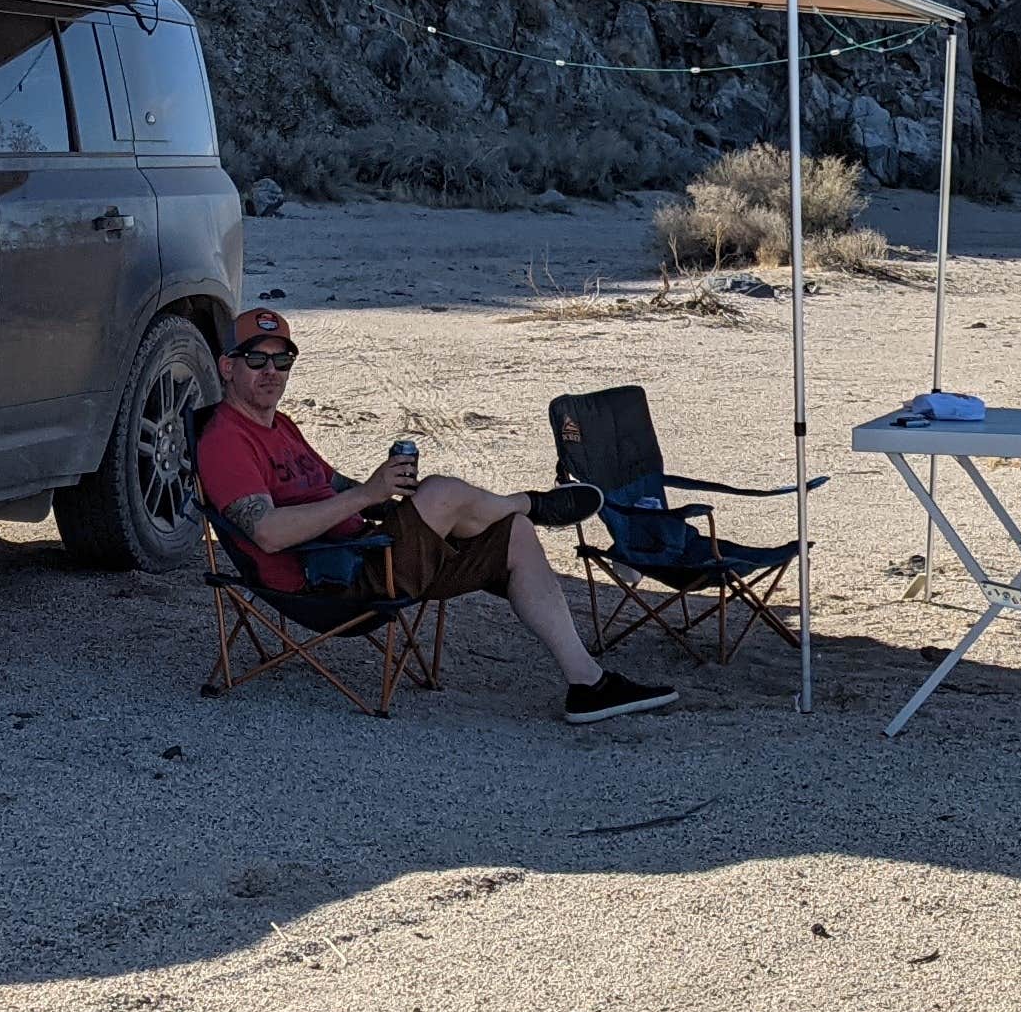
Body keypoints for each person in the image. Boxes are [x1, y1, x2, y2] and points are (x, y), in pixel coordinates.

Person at [196, 308, 674, 726]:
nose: (271, 371)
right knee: (446, 493)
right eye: (256, 359)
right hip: (332, 583)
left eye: (283, 360)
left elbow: (334, 485)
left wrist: (391, 494)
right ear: (227, 367)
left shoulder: (281, 426)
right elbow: (269, 533)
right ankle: (528, 500)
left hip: (373, 554)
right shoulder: (226, 441)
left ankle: (587, 684)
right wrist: (370, 495)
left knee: (513, 534)